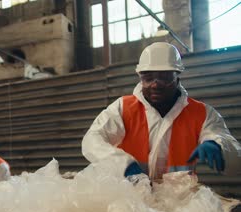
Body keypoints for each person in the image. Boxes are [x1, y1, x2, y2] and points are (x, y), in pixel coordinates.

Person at [82, 42, 241, 181]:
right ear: (140, 78)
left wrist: (220, 146)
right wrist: (122, 165)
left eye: (164, 77)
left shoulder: (202, 114)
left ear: (177, 77)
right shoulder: (122, 108)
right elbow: (91, 140)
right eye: (148, 78)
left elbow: (236, 164)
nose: (155, 85)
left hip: (177, 201)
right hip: (131, 198)